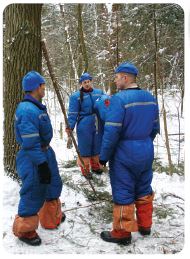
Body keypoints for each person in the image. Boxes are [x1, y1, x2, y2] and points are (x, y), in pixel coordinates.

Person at [99, 62, 160, 245]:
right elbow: (154, 128)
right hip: (146, 149)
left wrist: (103, 157)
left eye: (117, 77)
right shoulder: (150, 98)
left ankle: (122, 234)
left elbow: (111, 132)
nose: (116, 81)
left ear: (125, 78)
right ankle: (145, 225)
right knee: (143, 188)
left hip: (124, 152)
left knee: (123, 190)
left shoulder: (119, 100)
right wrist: (143, 141)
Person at [13, 71, 65, 246]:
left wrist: (46, 159)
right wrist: (41, 164)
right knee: (34, 190)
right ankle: (25, 230)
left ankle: (51, 217)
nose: (44, 88)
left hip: (44, 152)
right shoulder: (27, 110)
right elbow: (30, 142)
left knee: (53, 184)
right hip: (33, 156)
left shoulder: (36, 107)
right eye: (43, 85)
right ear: (36, 87)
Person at [66, 73, 104, 179]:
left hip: (97, 122)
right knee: (85, 147)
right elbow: (73, 113)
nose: (87, 84)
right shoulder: (76, 96)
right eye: (84, 82)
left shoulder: (99, 93)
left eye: (88, 82)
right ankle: (85, 169)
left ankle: (96, 166)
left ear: (91, 81)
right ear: (81, 83)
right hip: (84, 124)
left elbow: (105, 106)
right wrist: (70, 127)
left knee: (97, 145)